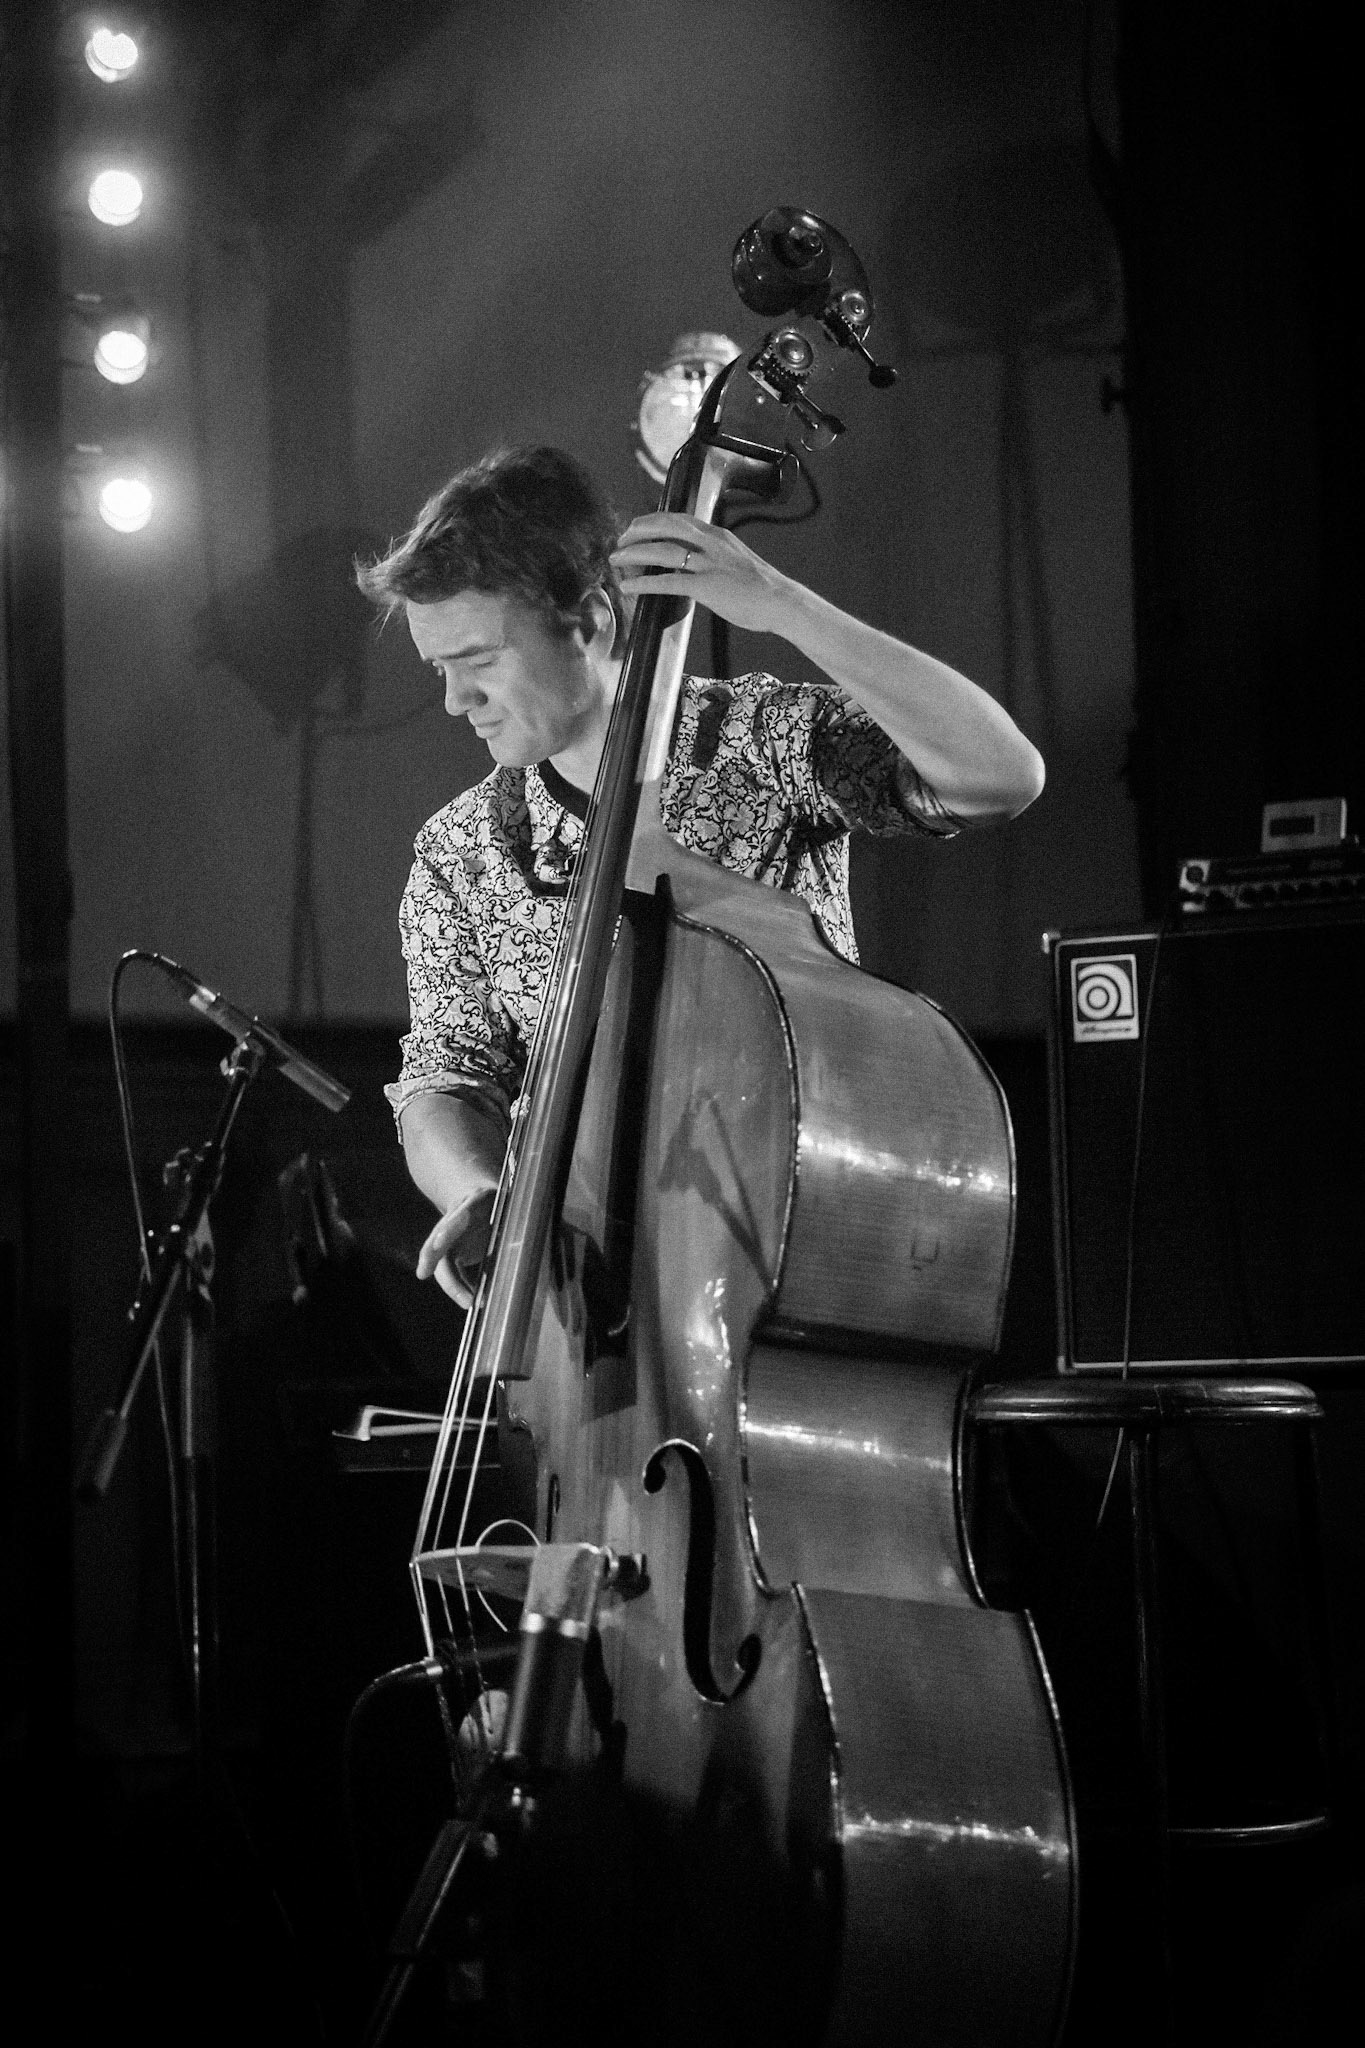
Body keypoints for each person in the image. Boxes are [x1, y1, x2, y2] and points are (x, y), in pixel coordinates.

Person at [357, 445, 1043, 1305]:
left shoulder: (755, 743)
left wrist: (785, 607)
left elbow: (1000, 777)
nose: (458, 700)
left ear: (591, 621)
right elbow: (444, 1077)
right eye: (439, 670)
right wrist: (477, 1191)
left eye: (481, 660)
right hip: (597, 1295)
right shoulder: (460, 849)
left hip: (792, 1253)